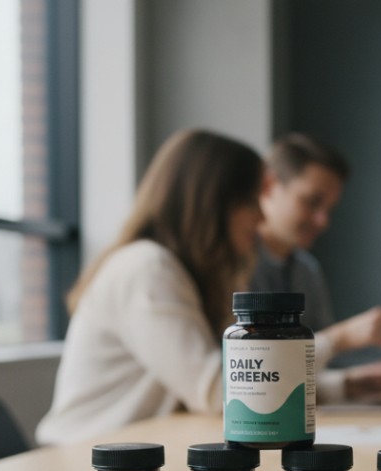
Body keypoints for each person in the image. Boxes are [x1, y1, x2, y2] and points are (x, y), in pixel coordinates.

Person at [37, 129, 263, 444]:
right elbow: (219, 392)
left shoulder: (176, 270)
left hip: (126, 454)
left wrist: (342, 385)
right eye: (252, 201)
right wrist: (338, 339)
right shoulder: (147, 267)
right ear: (214, 203)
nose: (262, 216)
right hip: (84, 459)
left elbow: (235, 387)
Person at [253, 133, 381, 401]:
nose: (322, 221)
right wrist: (342, 336)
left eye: (329, 209)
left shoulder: (306, 271)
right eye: (312, 202)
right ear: (268, 186)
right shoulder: (233, 267)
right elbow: (248, 376)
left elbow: (321, 365)